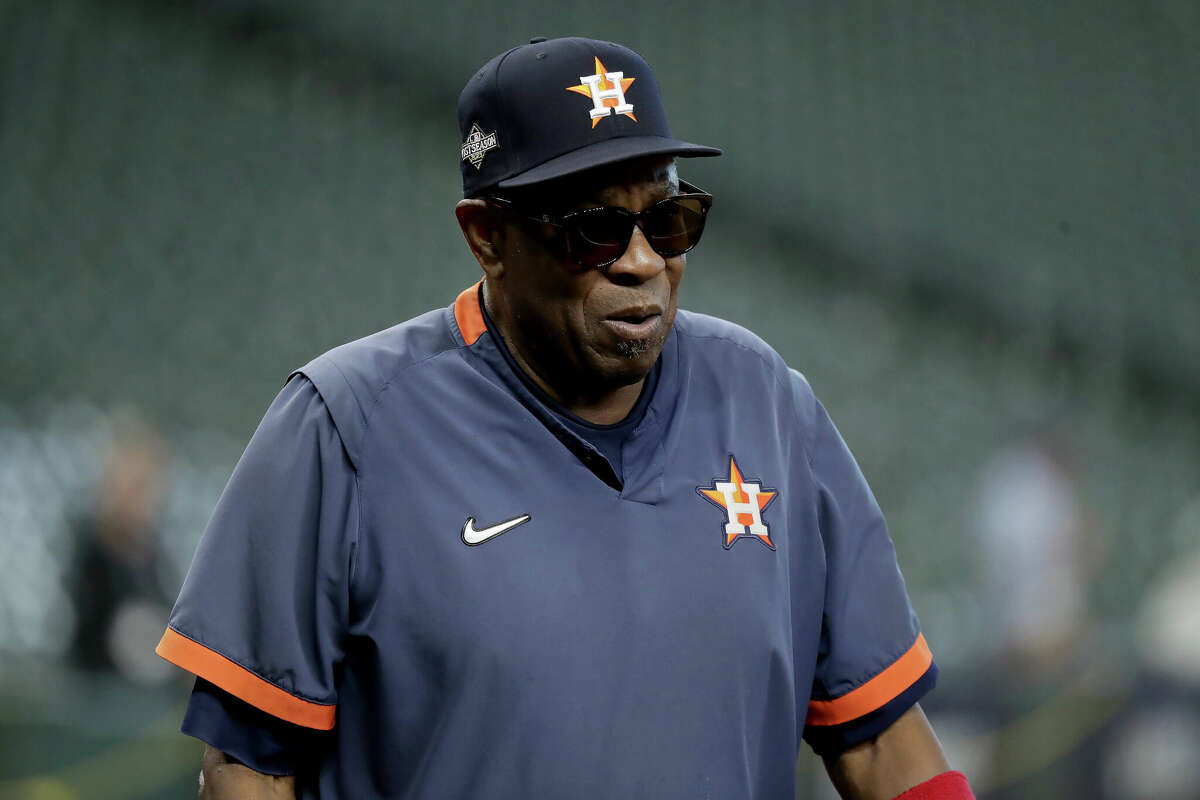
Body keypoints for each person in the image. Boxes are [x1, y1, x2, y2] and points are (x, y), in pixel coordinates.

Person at [156, 36, 974, 800]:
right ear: (488, 237)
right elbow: (248, 766)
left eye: (668, 219)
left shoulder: (766, 402)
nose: (644, 261)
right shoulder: (345, 428)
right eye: (594, 229)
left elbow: (878, 739)